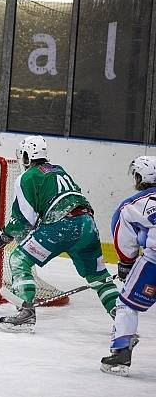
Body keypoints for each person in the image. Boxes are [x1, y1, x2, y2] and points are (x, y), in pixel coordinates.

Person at [0, 135, 119, 332]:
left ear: (26, 156)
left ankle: (26, 312)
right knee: (98, 276)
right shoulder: (59, 171)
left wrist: (2, 236)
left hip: (63, 226)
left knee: (18, 259)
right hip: (87, 225)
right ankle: (124, 320)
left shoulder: (27, 177)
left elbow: (23, 221)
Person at [100, 155, 156, 376]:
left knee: (125, 304)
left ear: (140, 176)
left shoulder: (133, 206)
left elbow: (124, 239)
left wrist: (126, 263)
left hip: (153, 262)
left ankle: (121, 354)